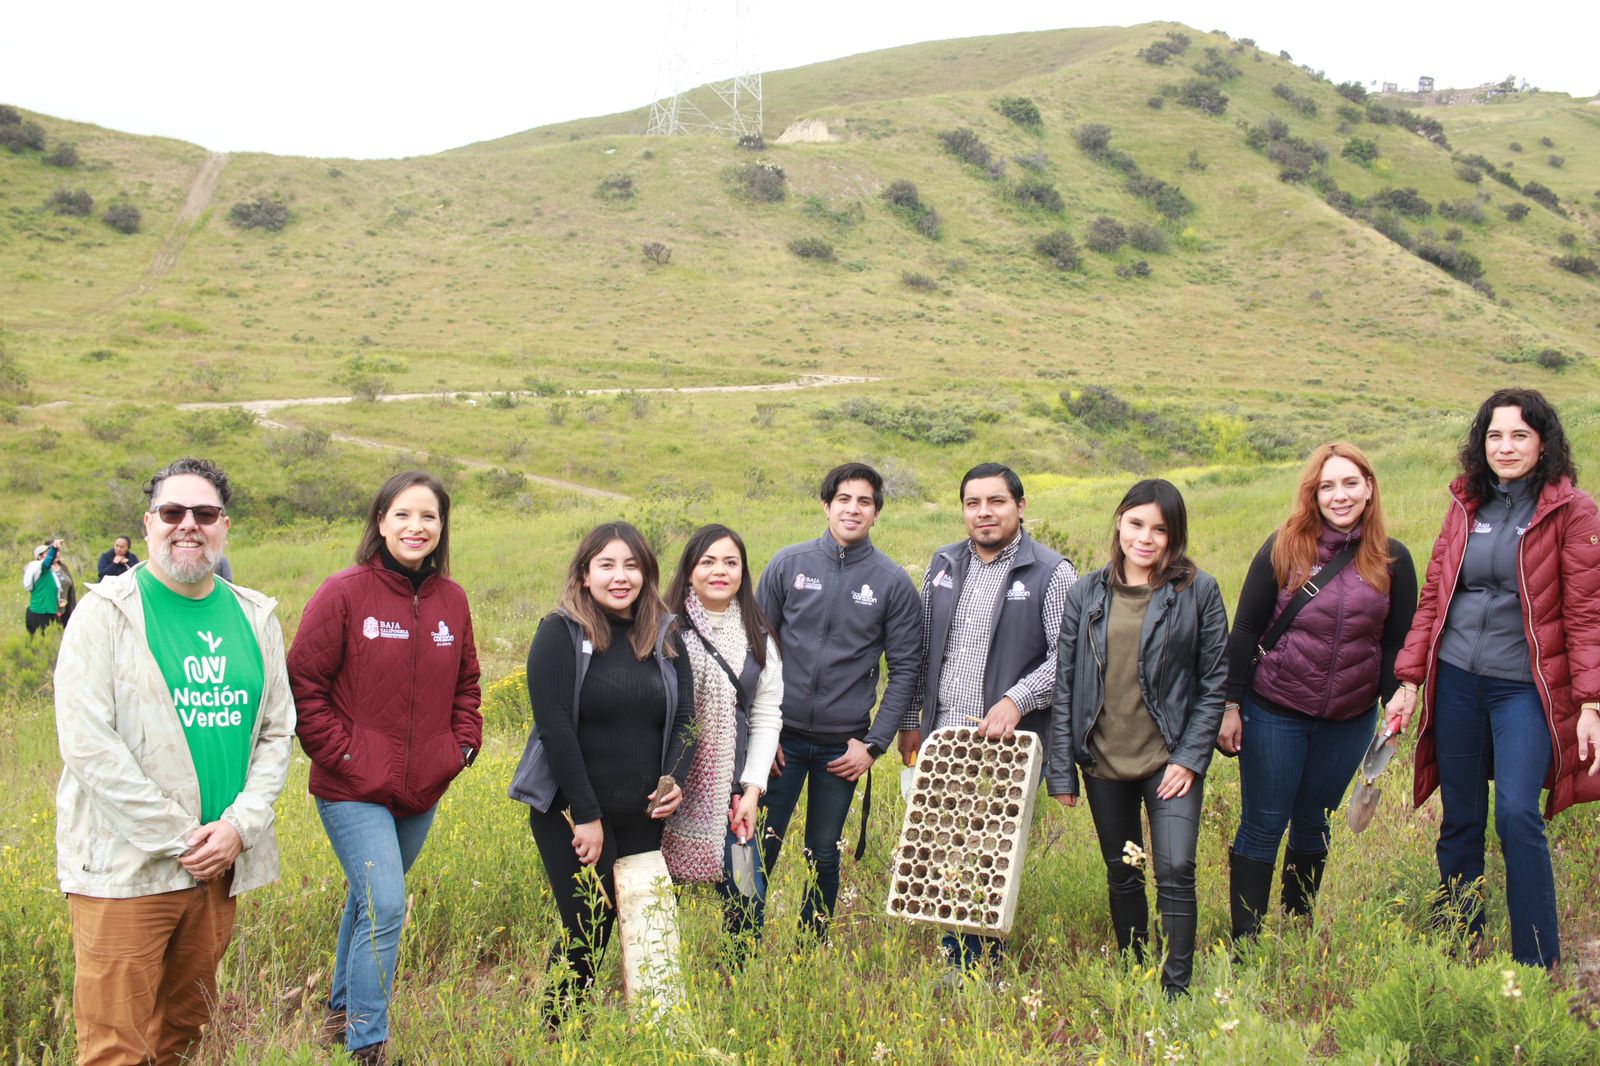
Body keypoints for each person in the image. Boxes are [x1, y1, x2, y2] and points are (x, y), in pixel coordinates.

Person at [53, 457, 295, 1065]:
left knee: (184, 1039)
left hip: (217, 872)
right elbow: (87, 743)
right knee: (115, 1048)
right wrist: (180, 836)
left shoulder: (255, 616)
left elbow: (276, 733)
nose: (189, 524)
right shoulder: (105, 614)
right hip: (126, 872)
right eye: (172, 512)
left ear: (224, 526)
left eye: (204, 513)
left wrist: (240, 827)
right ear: (148, 523)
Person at [1389, 388, 1600, 970]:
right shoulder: (1465, 503)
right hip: (1456, 680)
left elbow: (1585, 612)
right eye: (1495, 435)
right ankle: (1459, 944)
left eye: (1520, 435)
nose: (1505, 447)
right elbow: (1435, 596)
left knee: (1515, 812)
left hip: (1522, 689)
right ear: (1481, 444)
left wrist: (1591, 702)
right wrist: (1409, 680)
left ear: (1544, 443)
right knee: (1460, 817)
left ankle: (1537, 962)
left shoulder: (1572, 511)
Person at [287, 471, 482, 1064]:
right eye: (402, 515)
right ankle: (367, 1042)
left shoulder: (452, 599)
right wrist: (345, 754)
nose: (415, 527)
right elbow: (303, 684)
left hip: (422, 788)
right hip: (350, 788)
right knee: (388, 904)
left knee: (368, 899)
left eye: (427, 516)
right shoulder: (344, 592)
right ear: (380, 522)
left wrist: (459, 750)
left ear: (442, 526)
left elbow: (468, 686)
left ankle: (341, 1009)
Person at [1217, 443, 1417, 941]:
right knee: (1263, 823)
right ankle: (1246, 941)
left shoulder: (1394, 559)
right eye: (1327, 486)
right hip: (1275, 710)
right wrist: (1230, 704)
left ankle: (1298, 926)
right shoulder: (1284, 546)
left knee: (1314, 822)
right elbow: (1244, 631)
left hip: (1349, 721)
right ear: (1313, 494)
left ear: (1369, 488)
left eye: (1350, 483)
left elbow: (1395, 642)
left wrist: (1398, 693)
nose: (1340, 495)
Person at [508, 522, 696, 1025]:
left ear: (647, 574)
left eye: (632, 566)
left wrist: (673, 781)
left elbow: (685, 719)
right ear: (584, 574)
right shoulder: (560, 632)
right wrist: (586, 814)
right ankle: (559, 1028)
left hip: (641, 810)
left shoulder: (664, 633)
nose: (620, 577)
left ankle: (651, 1025)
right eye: (607, 565)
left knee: (635, 918)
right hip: (570, 808)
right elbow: (554, 727)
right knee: (588, 922)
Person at [1046, 479, 1228, 998]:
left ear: (1175, 536)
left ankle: (1176, 989)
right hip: (1103, 759)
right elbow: (1066, 682)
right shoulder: (1086, 592)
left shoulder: (1198, 591)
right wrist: (1063, 770)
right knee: (1123, 871)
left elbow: (1214, 683)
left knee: (1175, 866)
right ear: (1120, 523)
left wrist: (1190, 759)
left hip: (1168, 757)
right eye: (1136, 524)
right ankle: (1135, 969)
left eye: (1160, 530)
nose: (1146, 539)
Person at [901, 462, 1077, 974]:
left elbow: (1067, 656)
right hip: (942, 735)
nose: (984, 513)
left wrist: (1018, 700)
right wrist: (913, 719)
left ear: (1020, 506)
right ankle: (955, 954)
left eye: (996, 501)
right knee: (942, 845)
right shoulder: (943, 563)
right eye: (973, 503)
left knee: (987, 850)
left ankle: (979, 964)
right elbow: (921, 649)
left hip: (1006, 741)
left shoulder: (1050, 571)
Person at [755, 462, 922, 939]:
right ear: (826, 505)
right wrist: (759, 735)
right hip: (779, 741)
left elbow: (906, 670)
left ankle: (811, 946)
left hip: (840, 750)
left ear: (876, 513)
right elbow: (756, 650)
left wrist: (872, 746)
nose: (853, 509)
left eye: (864, 502)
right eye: (844, 499)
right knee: (758, 846)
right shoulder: (789, 564)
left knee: (823, 850)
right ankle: (740, 946)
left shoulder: (892, 582)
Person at [661, 524, 783, 955]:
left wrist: (752, 789)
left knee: (746, 891)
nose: (720, 571)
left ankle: (740, 974)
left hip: (731, 790)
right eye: (708, 561)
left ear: (743, 572)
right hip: (665, 786)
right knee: (658, 896)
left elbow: (768, 716)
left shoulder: (759, 637)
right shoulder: (662, 629)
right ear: (689, 570)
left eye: (731, 562)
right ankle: (657, 979)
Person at [23, 539, 66, 635]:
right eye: (47, 553)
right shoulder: (40, 568)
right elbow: (47, 562)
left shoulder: (48, 572)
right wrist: (54, 547)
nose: (51, 555)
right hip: (40, 612)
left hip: (49, 611)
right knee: (40, 644)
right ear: (39, 557)